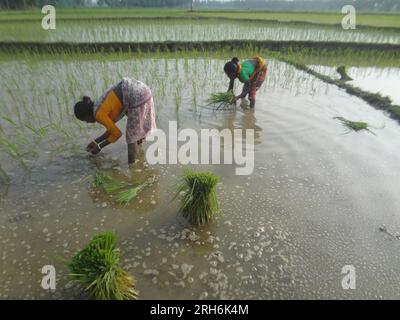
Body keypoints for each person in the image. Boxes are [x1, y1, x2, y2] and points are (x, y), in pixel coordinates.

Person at [74, 77, 156, 164]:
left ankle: (132, 168)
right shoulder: (98, 105)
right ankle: (140, 155)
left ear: (87, 115)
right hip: (142, 90)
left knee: (131, 138)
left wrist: (100, 146)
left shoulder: (98, 114)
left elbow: (117, 134)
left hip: (136, 96)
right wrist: (96, 142)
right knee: (136, 130)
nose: (87, 122)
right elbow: (111, 130)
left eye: (85, 120)